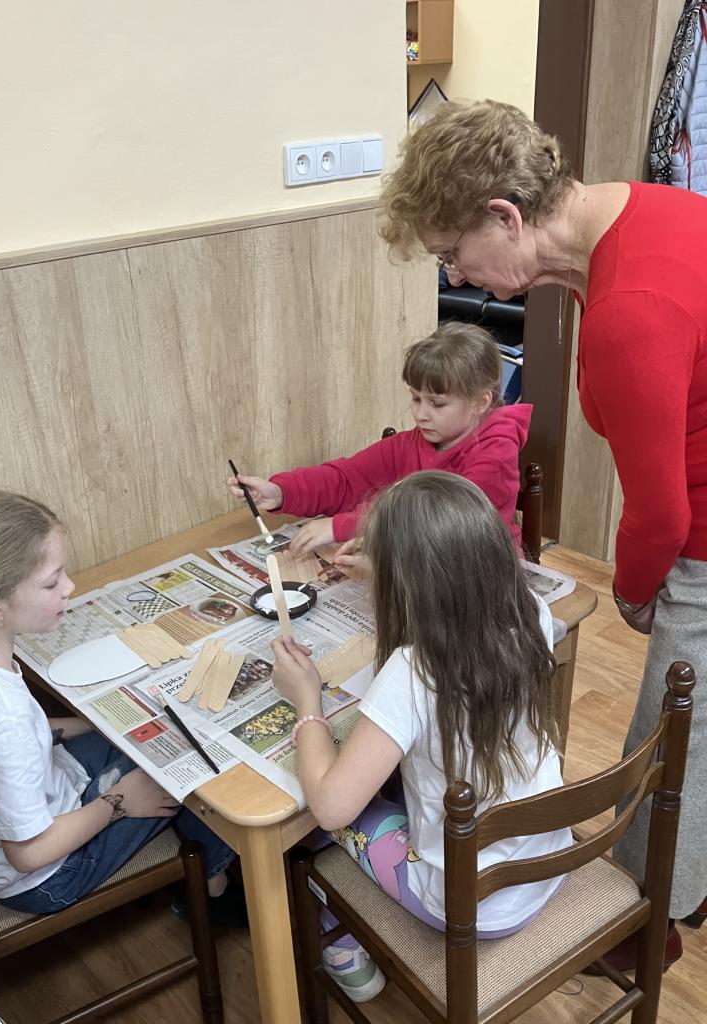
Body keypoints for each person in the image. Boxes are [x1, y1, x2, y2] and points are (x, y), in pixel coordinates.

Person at [378, 97, 707, 968]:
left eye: (452, 254)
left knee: (673, 745)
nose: (458, 274)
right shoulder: (649, 208)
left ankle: (645, 930)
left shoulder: (630, 309)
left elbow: (663, 515)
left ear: (505, 215)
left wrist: (633, 593)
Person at [271, 472, 572, 1002]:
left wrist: (307, 702)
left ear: (404, 585)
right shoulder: (532, 613)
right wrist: (390, 569)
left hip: (467, 902)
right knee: (393, 782)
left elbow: (333, 808)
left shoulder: (413, 673)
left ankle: (342, 946)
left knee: (309, 827)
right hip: (545, 862)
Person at [0, 491, 244, 925]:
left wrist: (90, 724)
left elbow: (14, 744)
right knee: (193, 761)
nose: (69, 587)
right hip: (48, 874)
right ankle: (213, 890)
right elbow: (29, 853)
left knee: (158, 734)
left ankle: (201, 865)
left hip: (47, 800)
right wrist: (119, 802)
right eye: (51, 583)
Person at [227, 321, 531, 556]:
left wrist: (344, 527)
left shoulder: (496, 452)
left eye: (437, 404)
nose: (421, 414)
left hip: (482, 577)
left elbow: (444, 525)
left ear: (480, 402)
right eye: (415, 398)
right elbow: (347, 479)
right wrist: (281, 492)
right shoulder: (414, 442)